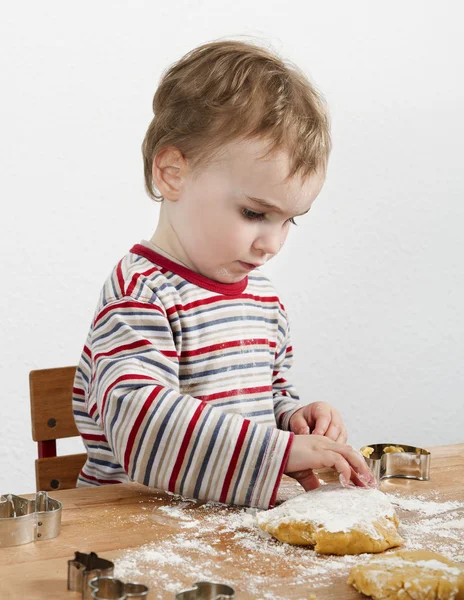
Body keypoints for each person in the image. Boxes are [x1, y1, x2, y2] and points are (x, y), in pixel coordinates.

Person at [73, 39, 375, 509]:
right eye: (255, 213)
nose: (271, 244)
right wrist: (281, 452)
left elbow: (262, 399)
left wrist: (293, 419)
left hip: (225, 529)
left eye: (288, 220)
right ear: (173, 173)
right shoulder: (141, 291)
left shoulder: (263, 301)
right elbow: (142, 423)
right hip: (132, 532)